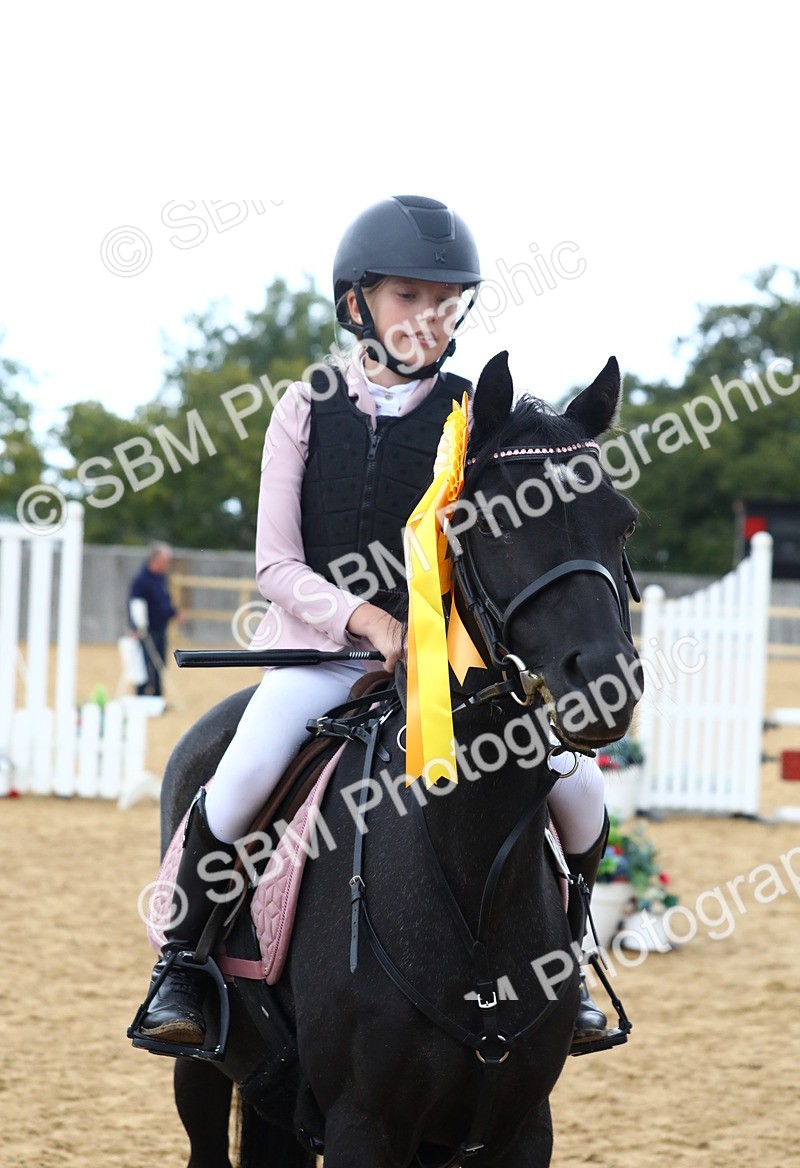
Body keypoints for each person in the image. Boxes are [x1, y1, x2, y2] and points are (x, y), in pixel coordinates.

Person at [136, 195, 614, 1051]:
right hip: (321, 656)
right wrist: (369, 621)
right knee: (242, 772)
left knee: (579, 788)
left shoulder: (477, 417)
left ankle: (568, 962)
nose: (429, 318)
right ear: (357, 302)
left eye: (447, 301)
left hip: (451, 664)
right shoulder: (302, 408)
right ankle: (183, 966)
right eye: (407, 297)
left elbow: (500, 542)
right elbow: (275, 565)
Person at [128, 543, 179, 698]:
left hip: (161, 627)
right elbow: (135, 605)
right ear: (156, 559)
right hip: (146, 629)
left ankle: (157, 696)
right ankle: (141, 695)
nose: (167, 564)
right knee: (143, 664)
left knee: (160, 663)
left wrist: (174, 613)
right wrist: (136, 626)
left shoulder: (161, 578)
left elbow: (164, 601)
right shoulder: (141, 580)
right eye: (165, 560)